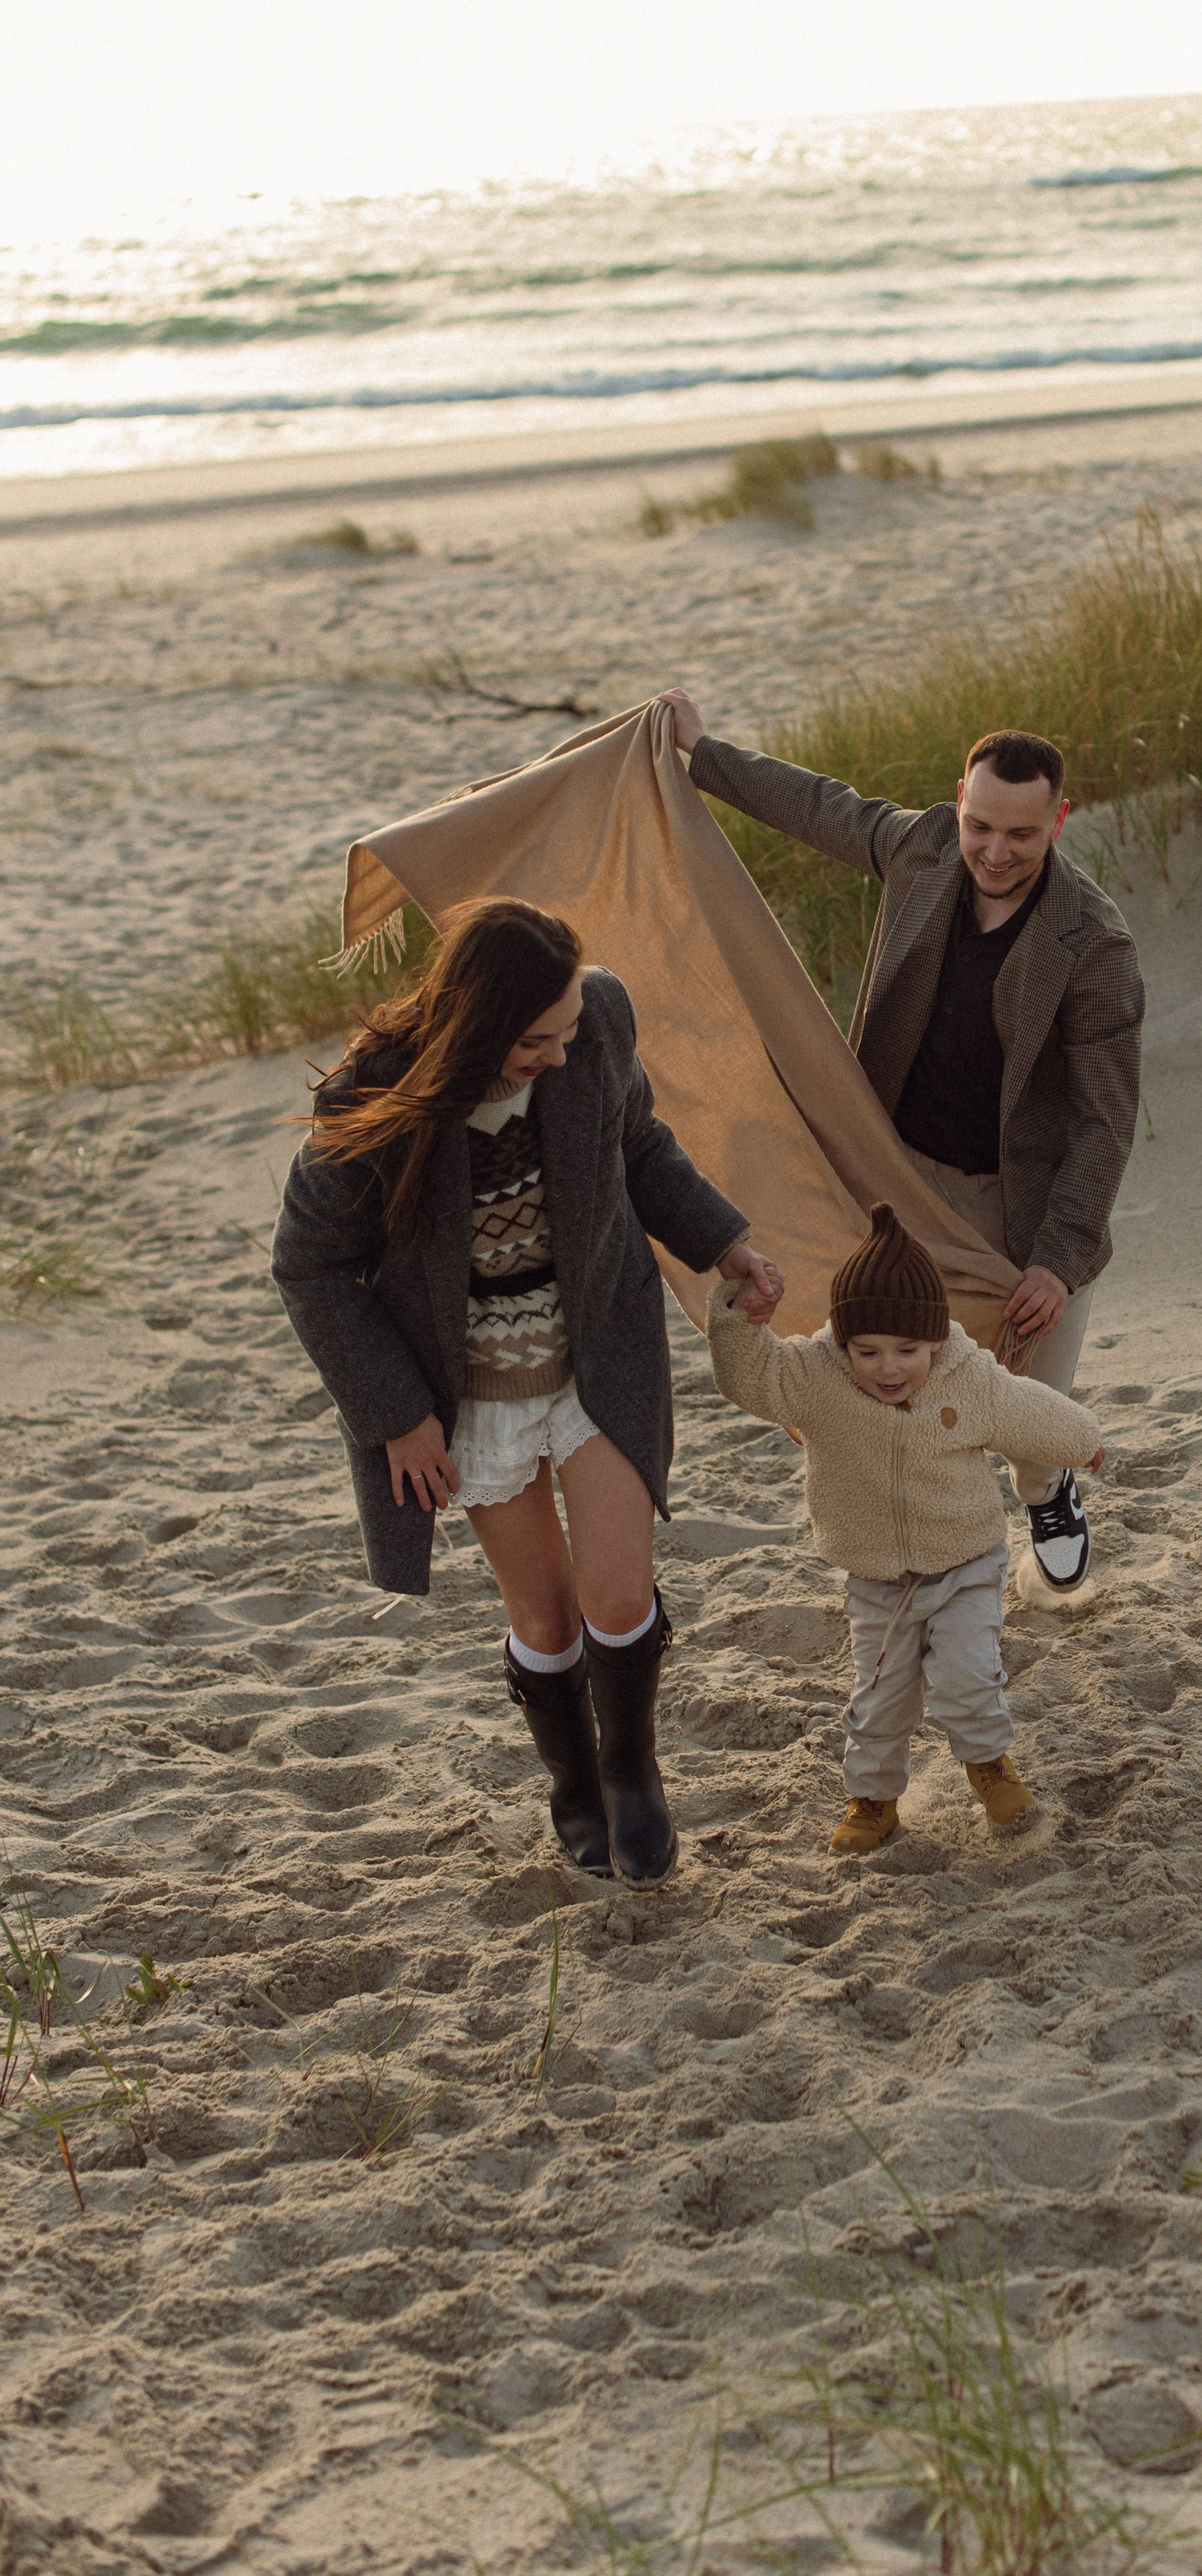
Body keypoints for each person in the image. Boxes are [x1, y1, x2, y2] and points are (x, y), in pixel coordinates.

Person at [271, 897, 784, 1889]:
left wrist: (726, 1243)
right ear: (471, 1023)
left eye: (566, 1031)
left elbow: (640, 1145)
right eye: (533, 1040)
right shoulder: (370, 1101)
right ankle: (575, 1785)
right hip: (471, 1395)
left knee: (619, 1590)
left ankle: (634, 1775)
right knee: (545, 1619)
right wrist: (398, 1418)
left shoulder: (596, 1024)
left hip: (597, 1352)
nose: (557, 1052)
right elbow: (309, 1270)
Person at [657, 690, 1142, 1588]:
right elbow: (822, 807)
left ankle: (1048, 1495)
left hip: (1016, 1206)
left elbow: (1104, 1120)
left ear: (1059, 822)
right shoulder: (922, 848)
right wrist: (701, 752)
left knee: (1036, 1411)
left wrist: (1060, 1258)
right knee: (900, 1376)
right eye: (979, 825)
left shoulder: (1093, 945)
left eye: (1021, 836)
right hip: (893, 1179)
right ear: (957, 799)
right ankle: (922, 1555)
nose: (995, 851)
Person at [707, 1200, 1103, 1854]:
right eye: (868, 1350)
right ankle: (873, 1800)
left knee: (967, 1677)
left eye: (907, 1350)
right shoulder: (816, 1377)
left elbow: (1025, 1408)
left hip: (965, 1562)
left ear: (935, 1340)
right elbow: (753, 1379)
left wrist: (1082, 1439)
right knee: (879, 1698)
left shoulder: (966, 1377)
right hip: (878, 1579)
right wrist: (739, 1319)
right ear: (843, 1340)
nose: (888, 1368)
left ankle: (990, 1766)